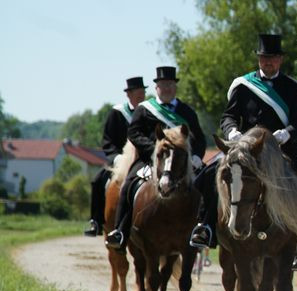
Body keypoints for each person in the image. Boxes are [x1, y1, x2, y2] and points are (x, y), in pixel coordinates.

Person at [188, 34, 297, 267]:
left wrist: (286, 133)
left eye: (272, 58)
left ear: (280, 60)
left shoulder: (292, 87)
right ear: (259, 59)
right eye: (263, 58)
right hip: (245, 148)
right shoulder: (243, 85)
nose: (268, 62)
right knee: (211, 173)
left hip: (280, 147)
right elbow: (229, 116)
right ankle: (205, 226)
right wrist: (231, 132)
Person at [105, 67, 206, 250]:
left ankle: (204, 229)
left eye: (169, 85)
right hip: (149, 159)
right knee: (128, 185)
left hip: (182, 163)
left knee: (207, 183)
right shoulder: (145, 109)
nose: (166, 88)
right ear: (156, 88)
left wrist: (197, 157)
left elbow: (199, 138)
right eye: (162, 85)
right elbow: (134, 133)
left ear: (175, 87)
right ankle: (120, 231)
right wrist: (156, 151)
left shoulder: (187, 111)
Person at [85, 76, 146, 236]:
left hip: (145, 159)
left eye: (143, 92)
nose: (141, 95)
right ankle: (96, 221)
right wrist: (116, 157)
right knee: (97, 180)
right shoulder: (117, 113)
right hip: (120, 160)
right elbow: (108, 141)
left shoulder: (149, 111)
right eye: (138, 93)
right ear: (129, 94)